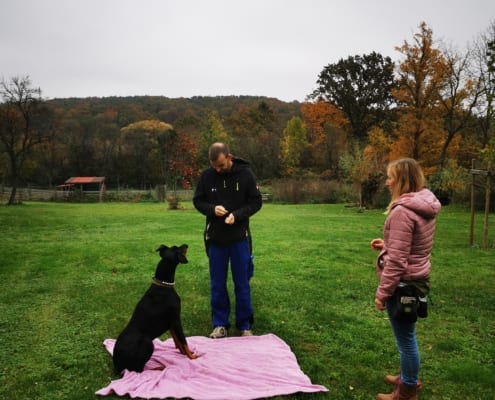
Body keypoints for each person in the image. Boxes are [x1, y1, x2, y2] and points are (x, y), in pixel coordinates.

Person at [370, 158, 441, 400]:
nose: (387, 183)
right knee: (406, 336)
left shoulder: (402, 211)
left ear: (402, 180)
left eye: (391, 177)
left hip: (404, 285)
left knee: (406, 340)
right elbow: (413, 245)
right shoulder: (424, 203)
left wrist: (382, 294)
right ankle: (405, 377)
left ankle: (407, 389)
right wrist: (387, 244)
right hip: (417, 278)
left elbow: (398, 262)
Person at [193, 142, 262, 338]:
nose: (218, 169)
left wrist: (238, 215)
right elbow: (198, 201)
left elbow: (256, 202)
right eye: (215, 166)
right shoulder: (207, 176)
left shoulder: (245, 175)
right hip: (216, 239)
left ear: (229, 157)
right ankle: (220, 324)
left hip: (240, 238)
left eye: (221, 165)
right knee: (217, 283)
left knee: (242, 282)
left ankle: (244, 325)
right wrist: (211, 209)